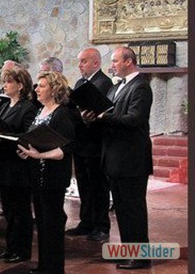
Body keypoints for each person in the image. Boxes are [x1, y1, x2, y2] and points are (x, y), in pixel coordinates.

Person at [82, 46, 153, 270]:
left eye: (115, 61)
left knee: (133, 210)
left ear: (128, 62)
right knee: (121, 210)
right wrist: (90, 116)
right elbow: (106, 112)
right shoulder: (115, 88)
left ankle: (141, 257)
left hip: (131, 160)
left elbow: (134, 119)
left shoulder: (140, 86)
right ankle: (127, 251)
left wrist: (103, 118)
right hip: (113, 158)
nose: (111, 65)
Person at [17, 71, 75, 274]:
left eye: (41, 86)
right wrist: (27, 152)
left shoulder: (62, 114)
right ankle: (44, 265)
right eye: (37, 86)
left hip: (53, 177)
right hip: (37, 174)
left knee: (52, 223)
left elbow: (64, 150)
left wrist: (38, 156)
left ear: (54, 89)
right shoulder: (40, 111)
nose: (36, 89)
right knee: (41, 223)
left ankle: (54, 268)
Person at [66, 48, 113, 242]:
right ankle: (86, 222)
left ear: (96, 63)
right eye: (79, 61)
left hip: (95, 143)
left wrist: (88, 116)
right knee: (84, 186)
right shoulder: (80, 82)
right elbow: (77, 110)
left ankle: (101, 225)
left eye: (84, 61)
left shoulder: (104, 82)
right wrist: (80, 115)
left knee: (98, 187)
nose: (80, 65)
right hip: (81, 143)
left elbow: (103, 109)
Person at [0, 67, 37, 263]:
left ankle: (22, 249)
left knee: (21, 210)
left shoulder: (28, 107)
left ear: (20, 85)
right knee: (9, 210)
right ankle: (10, 246)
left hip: (19, 164)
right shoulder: (4, 106)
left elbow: (28, 135)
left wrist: (3, 136)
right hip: (4, 163)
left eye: (9, 82)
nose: (4, 85)